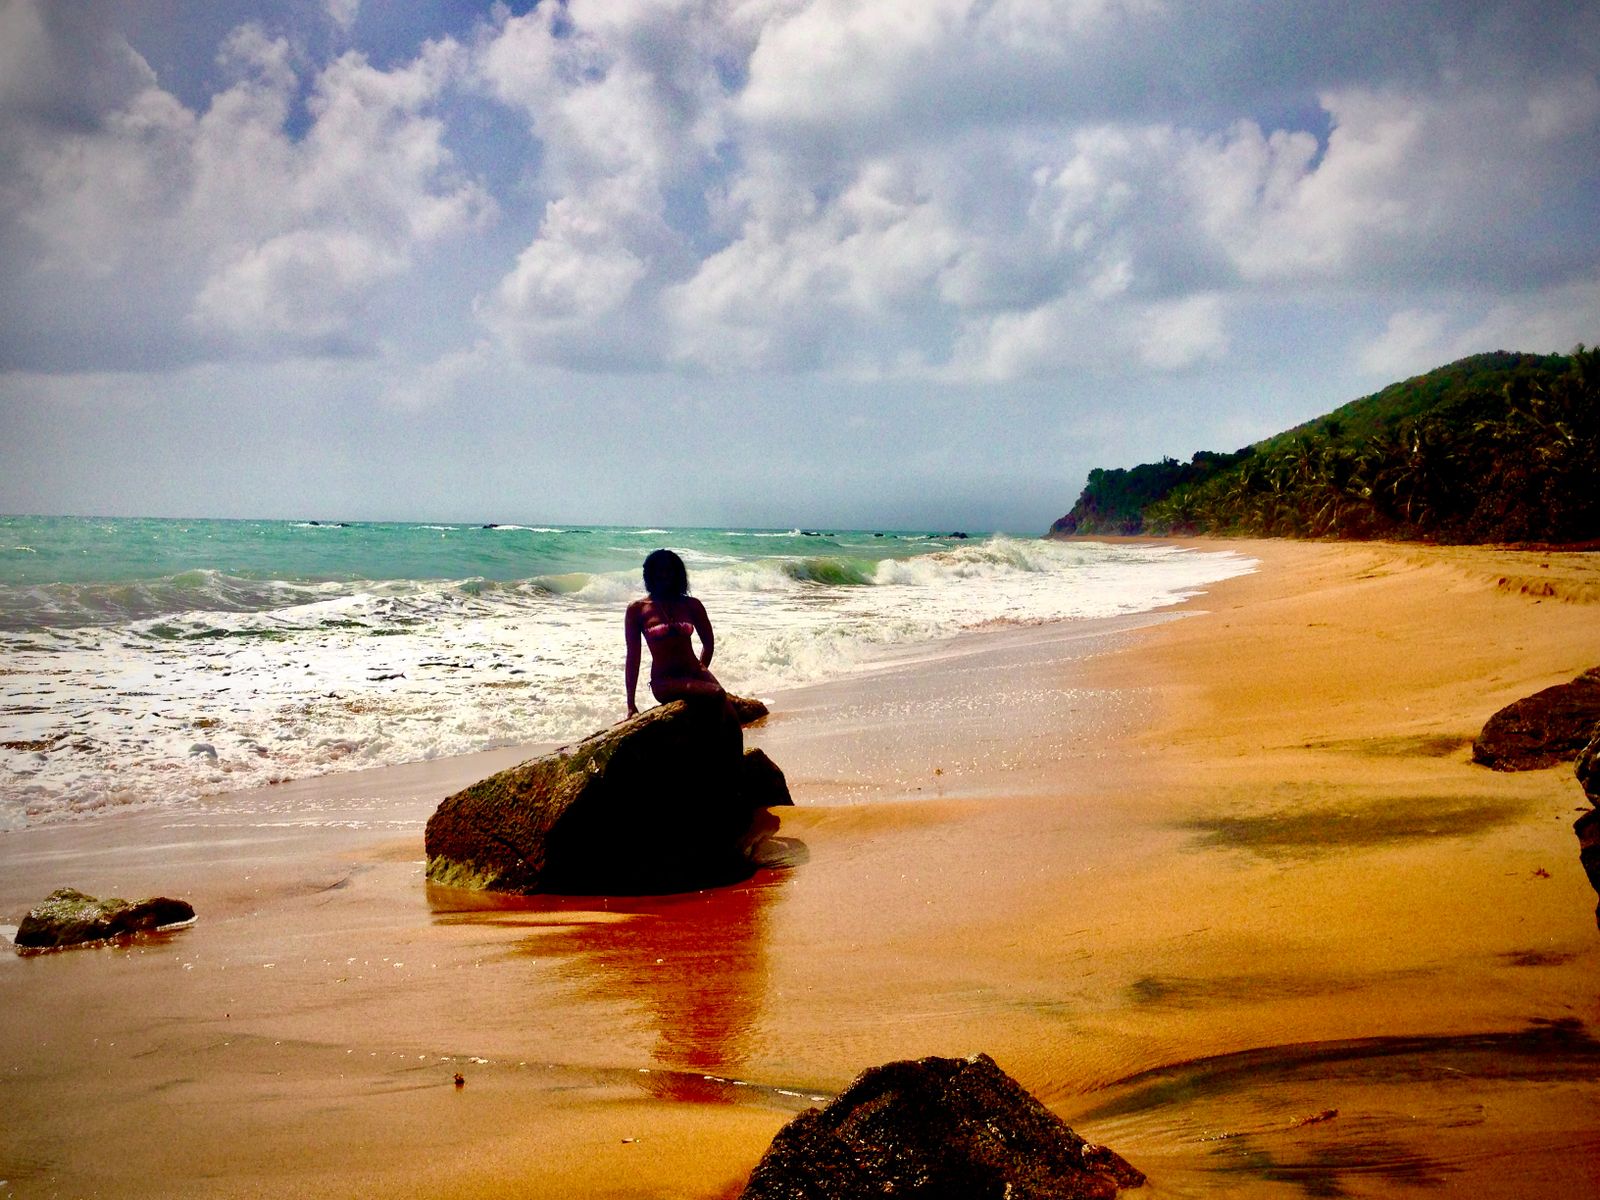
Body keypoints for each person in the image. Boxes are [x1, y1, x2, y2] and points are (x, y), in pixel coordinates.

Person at [624, 548, 726, 718]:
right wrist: (631, 705)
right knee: (716, 694)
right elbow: (633, 657)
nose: (664, 575)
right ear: (650, 574)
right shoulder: (637, 610)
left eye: (669, 571)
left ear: (677, 574)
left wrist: (700, 670)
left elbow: (708, 643)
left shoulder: (692, 605)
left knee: (729, 716)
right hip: (664, 681)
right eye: (659, 571)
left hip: (694, 673)